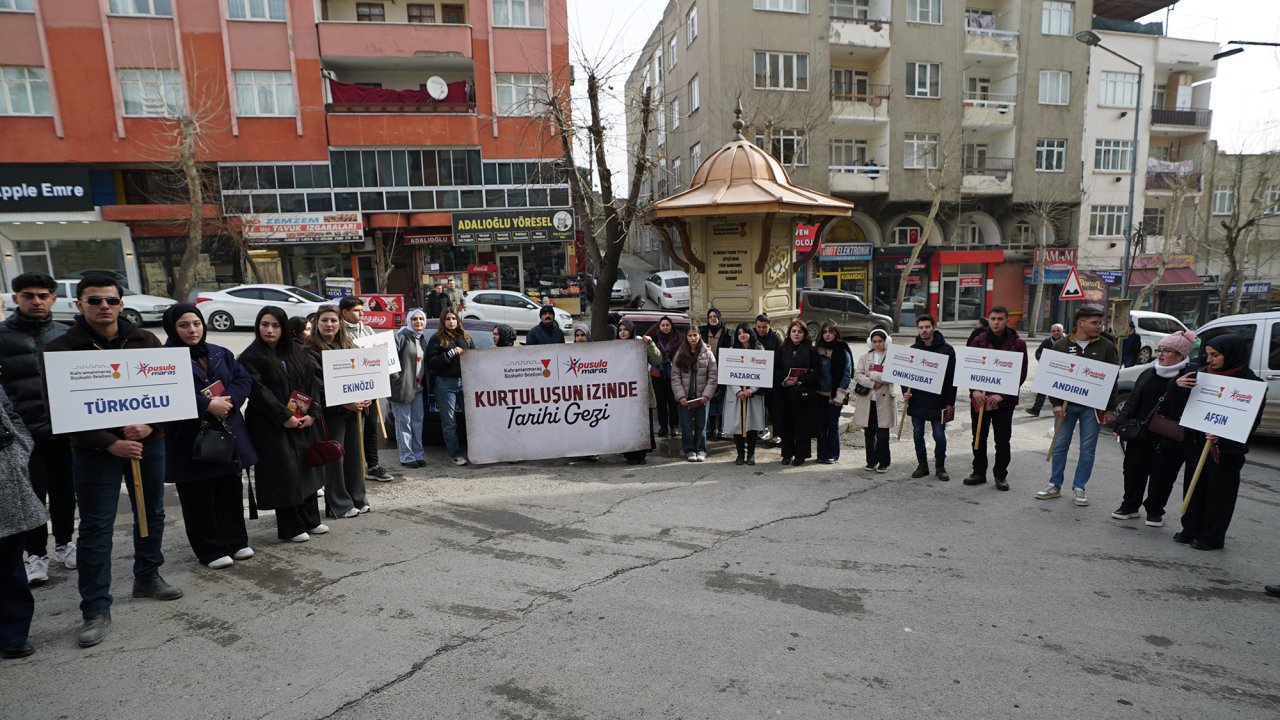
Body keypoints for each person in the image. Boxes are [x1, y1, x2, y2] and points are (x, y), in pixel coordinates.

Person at [44, 274, 183, 649]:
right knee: (96, 528)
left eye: (110, 300)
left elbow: (170, 393)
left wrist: (149, 425)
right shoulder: (61, 350)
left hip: (147, 444)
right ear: (79, 305)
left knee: (151, 512)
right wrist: (109, 442)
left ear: (122, 304)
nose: (103, 307)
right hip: (93, 454)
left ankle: (148, 576)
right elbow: (61, 411)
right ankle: (95, 608)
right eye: (94, 301)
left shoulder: (146, 341)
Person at [161, 305, 258, 569]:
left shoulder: (219, 353)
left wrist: (231, 400)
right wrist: (206, 406)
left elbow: (242, 379)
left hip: (226, 431)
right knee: (198, 496)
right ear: (172, 328)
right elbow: (165, 396)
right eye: (184, 325)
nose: (192, 330)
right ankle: (211, 549)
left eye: (196, 323)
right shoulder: (162, 359)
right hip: (189, 437)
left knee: (229, 490)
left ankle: (236, 541)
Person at [0, 272, 73, 588]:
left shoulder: (65, 334)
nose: (36, 301)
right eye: (28, 295)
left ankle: (66, 543)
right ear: (15, 298)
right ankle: (36, 554)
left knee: (64, 490)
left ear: (53, 299)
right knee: (31, 496)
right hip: (21, 434)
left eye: (43, 295)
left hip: (64, 428)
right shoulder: (2, 337)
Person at [238, 307, 328, 543]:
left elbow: (312, 383)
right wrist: (283, 416)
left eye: (275, 325)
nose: (269, 330)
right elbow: (259, 392)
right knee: (284, 473)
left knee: (306, 467)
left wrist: (313, 413)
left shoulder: (296, 351)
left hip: (302, 420)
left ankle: (311, 519)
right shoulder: (251, 356)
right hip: (271, 426)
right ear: (257, 326)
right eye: (265, 324)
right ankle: (291, 526)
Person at [1173, 334, 1265, 551]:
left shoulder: (1251, 384)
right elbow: (1178, 407)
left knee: (1219, 493)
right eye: (1207, 355)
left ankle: (1211, 536)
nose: (1209, 360)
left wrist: (1223, 435)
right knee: (1194, 487)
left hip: (1226, 451)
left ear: (1231, 355)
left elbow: (1251, 420)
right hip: (1197, 443)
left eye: (1215, 355)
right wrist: (1176, 386)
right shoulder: (1201, 376)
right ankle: (1190, 529)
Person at [1112, 331, 1197, 528]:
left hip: (1170, 438)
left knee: (1163, 476)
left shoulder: (1189, 376)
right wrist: (1120, 423)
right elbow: (1134, 400)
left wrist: (1175, 387)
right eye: (1160, 349)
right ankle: (1129, 506)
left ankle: (1155, 510)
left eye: (1168, 351)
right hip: (1141, 434)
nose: (1161, 354)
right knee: (1133, 471)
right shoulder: (1149, 372)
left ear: (1181, 355)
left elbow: (1183, 406)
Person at [1037, 305, 1120, 507]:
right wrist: (1055, 404)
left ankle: (1079, 487)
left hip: (1091, 408)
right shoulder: (1062, 345)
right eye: (1094, 323)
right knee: (1059, 446)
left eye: (1101, 322)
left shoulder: (1107, 346)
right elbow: (1050, 376)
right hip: (1065, 407)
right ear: (1080, 323)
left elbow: (1112, 379)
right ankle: (1054, 485)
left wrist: (1110, 408)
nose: (1099, 326)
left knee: (1087, 449)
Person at [307, 305, 372, 519]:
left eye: (333, 321)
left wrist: (367, 392)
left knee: (354, 456)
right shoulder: (310, 350)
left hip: (354, 411)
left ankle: (358, 498)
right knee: (335, 458)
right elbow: (317, 385)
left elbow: (362, 373)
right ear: (317, 322)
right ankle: (339, 504)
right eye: (325, 320)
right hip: (330, 412)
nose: (329, 325)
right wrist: (344, 403)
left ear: (339, 323)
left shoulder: (348, 345)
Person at [964, 306, 1029, 491]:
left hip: (1004, 403)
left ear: (1007, 320)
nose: (996, 322)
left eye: (1000, 318)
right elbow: (969, 368)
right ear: (988, 320)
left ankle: (1000, 475)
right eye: (993, 318)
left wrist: (1002, 395)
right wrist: (974, 390)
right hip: (980, 400)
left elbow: (1020, 374)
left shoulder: (1017, 344)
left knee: (1002, 440)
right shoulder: (978, 341)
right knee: (978, 436)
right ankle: (978, 472)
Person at [0, 387, 42, 660]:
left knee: (8, 556)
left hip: (5, 471)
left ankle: (14, 633)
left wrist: (20, 448)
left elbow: (10, 413)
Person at [340, 296, 391, 482]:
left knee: (371, 428)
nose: (362, 314)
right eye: (356, 311)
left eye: (362, 310)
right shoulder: (340, 331)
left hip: (370, 385)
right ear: (345, 312)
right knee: (352, 430)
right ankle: (351, 468)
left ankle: (373, 465)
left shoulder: (368, 329)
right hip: (349, 388)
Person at [903, 315, 956, 481]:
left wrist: (950, 403)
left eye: (927, 327)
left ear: (934, 327)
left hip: (938, 402)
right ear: (918, 329)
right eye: (921, 327)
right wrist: (906, 391)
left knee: (939, 436)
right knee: (918, 434)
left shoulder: (946, 350)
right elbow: (905, 376)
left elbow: (951, 379)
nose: (924, 330)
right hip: (917, 401)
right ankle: (922, 465)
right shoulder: (913, 350)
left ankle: (940, 467)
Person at [426, 310, 473, 466]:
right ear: (443, 321)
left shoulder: (466, 337)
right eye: (448, 319)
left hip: (466, 382)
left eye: (454, 318)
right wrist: (450, 354)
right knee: (449, 422)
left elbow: (476, 357)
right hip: (445, 384)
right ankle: (455, 454)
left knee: (473, 419)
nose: (451, 321)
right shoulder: (436, 339)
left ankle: (476, 451)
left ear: (458, 320)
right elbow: (432, 363)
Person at [775, 320, 819, 466]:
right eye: (794, 331)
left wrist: (800, 380)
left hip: (803, 394)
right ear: (789, 333)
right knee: (786, 424)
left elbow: (817, 371)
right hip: (786, 393)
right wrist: (785, 381)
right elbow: (777, 369)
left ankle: (801, 455)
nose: (796, 334)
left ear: (804, 334)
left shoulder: (811, 350)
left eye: (800, 332)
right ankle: (787, 454)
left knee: (802, 426)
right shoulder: (782, 349)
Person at [671, 326, 718, 462]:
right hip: (685, 397)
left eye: (695, 335)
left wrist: (706, 396)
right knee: (685, 424)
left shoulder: (707, 353)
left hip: (702, 397)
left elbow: (713, 377)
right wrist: (681, 396)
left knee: (701, 424)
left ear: (699, 336)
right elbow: (675, 376)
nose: (692, 338)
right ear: (686, 337)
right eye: (690, 335)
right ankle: (689, 450)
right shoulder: (680, 353)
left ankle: (701, 449)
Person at [723, 323, 767, 465]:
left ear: (750, 334)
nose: (742, 335)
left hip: (752, 395)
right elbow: (727, 374)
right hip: (737, 395)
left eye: (745, 332)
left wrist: (751, 389)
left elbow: (763, 373)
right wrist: (738, 390)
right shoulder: (731, 351)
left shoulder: (759, 350)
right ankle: (740, 453)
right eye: (739, 332)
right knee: (738, 424)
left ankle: (751, 454)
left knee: (752, 424)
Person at [619, 320, 662, 465]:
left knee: (642, 424)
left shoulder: (641, 345)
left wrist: (650, 344)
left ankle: (641, 454)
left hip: (642, 394)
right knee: (627, 425)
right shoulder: (615, 348)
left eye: (626, 329)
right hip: (624, 395)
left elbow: (657, 360)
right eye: (621, 330)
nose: (623, 332)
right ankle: (629, 454)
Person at [391, 309, 429, 469]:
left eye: (421, 319)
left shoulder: (422, 339)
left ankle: (418, 454)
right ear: (408, 321)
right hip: (402, 389)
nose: (418, 322)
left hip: (418, 389)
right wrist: (395, 375)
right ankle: (407, 456)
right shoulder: (401, 336)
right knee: (403, 422)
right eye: (414, 319)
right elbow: (388, 357)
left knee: (417, 422)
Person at [854, 329, 896, 473]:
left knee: (883, 434)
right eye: (875, 341)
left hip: (884, 401)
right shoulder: (865, 357)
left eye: (880, 341)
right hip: (868, 401)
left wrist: (872, 374)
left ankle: (884, 462)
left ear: (886, 342)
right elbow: (857, 375)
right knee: (869, 433)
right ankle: (871, 461)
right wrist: (872, 383)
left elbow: (892, 375)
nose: (877, 344)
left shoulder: (891, 357)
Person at [814, 321, 853, 464]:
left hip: (835, 394)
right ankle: (821, 453)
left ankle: (832, 454)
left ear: (836, 333)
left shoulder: (841, 350)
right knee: (821, 425)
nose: (827, 335)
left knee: (832, 425)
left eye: (830, 332)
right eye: (824, 332)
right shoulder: (817, 350)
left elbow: (846, 375)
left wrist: (839, 395)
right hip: (819, 393)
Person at [646, 316, 683, 437]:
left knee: (673, 402)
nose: (665, 327)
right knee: (660, 403)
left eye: (667, 325)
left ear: (671, 326)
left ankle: (674, 427)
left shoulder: (679, 337)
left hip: (674, 374)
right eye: (662, 325)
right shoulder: (655, 338)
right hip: (657, 375)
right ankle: (663, 427)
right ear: (659, 326)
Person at [754, 314, 785, 445]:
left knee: (774, 409)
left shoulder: (776, 339)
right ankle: (761, 430)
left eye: (764, 327)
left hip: (772, 379)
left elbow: (779, 359)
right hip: (757, 379)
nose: (761, 330)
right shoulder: (752, 335)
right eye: (758, 327)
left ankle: (777, 433)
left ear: (769, 325)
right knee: (759, 407)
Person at [700, 309, 729, 439]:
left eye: (715, 316)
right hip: (707, 370)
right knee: (709, 397)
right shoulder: (702, 331)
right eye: (710, 316)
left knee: (722, 399)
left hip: (724, 370)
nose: (712, 319)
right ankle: (712, 426)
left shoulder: (727, 332)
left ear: (719, 317)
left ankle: (722, 426)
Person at [1026, 323, 1064, 416]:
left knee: (1058, 391)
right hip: (1048, 370)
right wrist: (1041, 359)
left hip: (1062, 372)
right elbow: (1038, 352)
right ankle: (1036, 409)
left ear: (1063, 331)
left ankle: (1061, 409)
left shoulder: (1068, 342)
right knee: (1042, 388)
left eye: (1058, 330)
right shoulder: (1047, 342)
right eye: (1053, 331)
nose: (1056, 333)